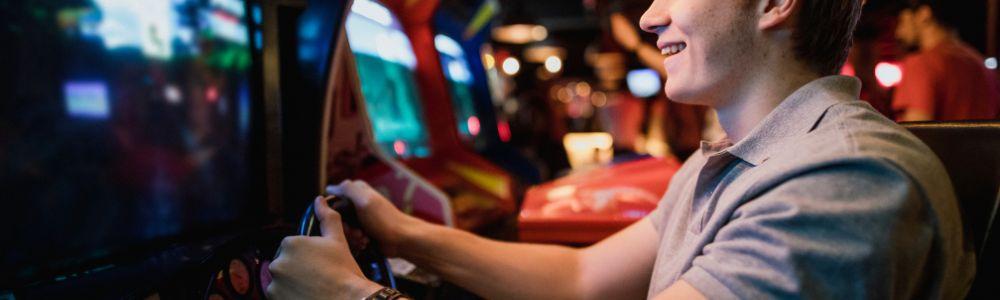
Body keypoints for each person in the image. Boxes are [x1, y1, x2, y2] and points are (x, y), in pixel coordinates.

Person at [266, 0, 975, 298]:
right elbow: (580, 280)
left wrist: (353, 295)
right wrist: (403, 230)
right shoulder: (736, 157)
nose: (649, 15)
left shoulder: (840, 181)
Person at [892, 0, 1000, 121]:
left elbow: (917, 129)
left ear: (924, 14)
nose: (898, 33)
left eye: (902, 21)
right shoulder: (982, 65)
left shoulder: (921, 64)